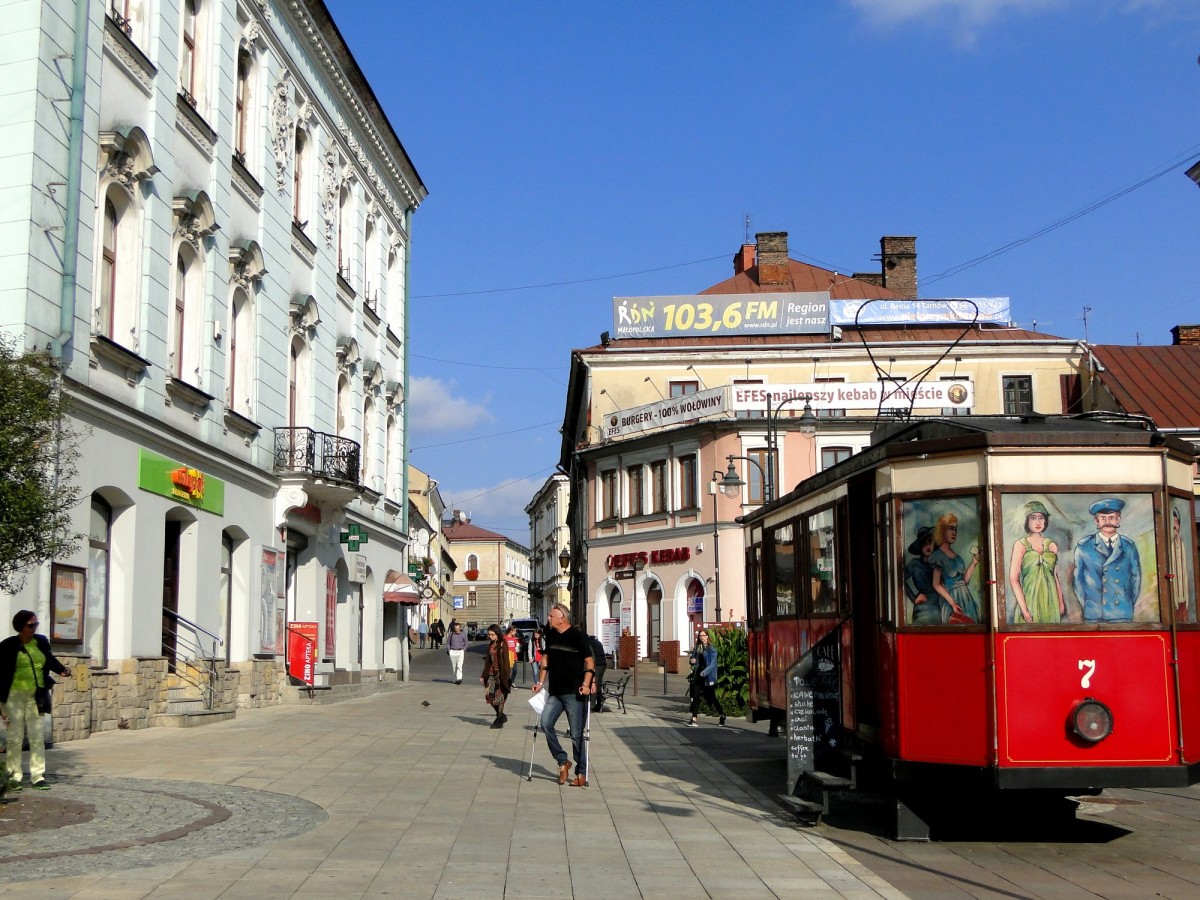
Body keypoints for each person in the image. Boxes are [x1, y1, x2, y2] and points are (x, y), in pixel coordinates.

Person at [0, 610, 72, 791]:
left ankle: (38, 776)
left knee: (37, 736)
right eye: (30, 625)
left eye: (35, 624)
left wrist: (61, 670)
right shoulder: (8, 645)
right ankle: (14, 775)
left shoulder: (41, 641)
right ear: (20, 627)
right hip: (13, 696)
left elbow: (49, 659)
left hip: (36, 695)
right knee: (15, 737)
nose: (34, 628)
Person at [532, 603, 595, 787]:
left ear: (562, 618)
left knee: (576, 734)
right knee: (545, 723)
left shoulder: (578, 636)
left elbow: (589, 662)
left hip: (574, 693)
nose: (548, 619)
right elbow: (546, 658)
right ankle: (562, 761)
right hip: (555, 691)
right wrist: (540, 682)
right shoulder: (550, 634)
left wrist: (586, 684)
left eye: (551, 616)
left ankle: (581, 773)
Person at [1074, 498, 1141, 622]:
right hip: (1094, 613)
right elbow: (1078, 581)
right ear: (1096, 521)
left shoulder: (1129, 546)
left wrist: (1126, 603)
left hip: (1121, 612)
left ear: (1118, 519)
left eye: (1111, 518)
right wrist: (1089, 605)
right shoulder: (1084, 547)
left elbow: (1135, 579)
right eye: (1103, 518)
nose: (1107, 522)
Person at [1008, 500, 1065, 624]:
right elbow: (1013, 579)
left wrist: (1060, 602)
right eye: (1033, 518)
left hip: (1051, 600)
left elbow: (1055, 577)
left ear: (1045, 520)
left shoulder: (1051, 545)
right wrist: (1024, 608)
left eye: (1041, 517)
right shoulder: (1020, 545)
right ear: (1027, 521)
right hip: (1029, 600)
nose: (1038, 522)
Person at [930, 513, 981, 623]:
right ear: (942, 531)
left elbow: (963, 581)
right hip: (951, 600)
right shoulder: (937, 556)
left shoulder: (957, 557)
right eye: (951, 529)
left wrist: (974, 563)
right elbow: (936, 584)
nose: (954, 533)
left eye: (955, 529)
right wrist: (952, 603)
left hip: (966, 599)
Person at [904, 525, 942, 625]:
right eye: (923, 544)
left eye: (930, 542)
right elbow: (899, 580)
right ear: (920, 547)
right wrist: (914, 598)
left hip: (940, 606)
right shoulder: (915, 564)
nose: (927, 546)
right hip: (923, 608)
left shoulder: (939, 563)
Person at [687, 628, 725, 727]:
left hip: (707, 676)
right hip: (698, 675)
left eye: (704, 635)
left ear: (707, 636)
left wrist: (704, 673)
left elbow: (712, 665)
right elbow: (692, 657)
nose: (702, 637)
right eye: (700, 636)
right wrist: (692, 660)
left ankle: (722, 714)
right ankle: (694, 719)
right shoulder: (697, 647)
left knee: (711, 697)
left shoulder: (712, 648)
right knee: (696, 697)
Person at [479, 624, 512, 728]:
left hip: (500, 674)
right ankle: (501, 715)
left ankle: (499, 718)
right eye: (489, 635)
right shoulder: (491, 644)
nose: (490, 637)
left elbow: (506, 660)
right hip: (490, 673)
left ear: (497, 634)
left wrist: (506, 675)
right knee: (490, 696)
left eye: (492, 635)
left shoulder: (503, 644)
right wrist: (483, 674)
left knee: (499, 697)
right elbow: (488, 660)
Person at [587, 633, 607, 712]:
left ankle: (592, 705)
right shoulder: (598, 643)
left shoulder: (589, 644)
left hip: (597, 664)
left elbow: (592, 656)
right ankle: (599, 704)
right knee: (598, 684)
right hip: (603, 664)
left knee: (594, 684)